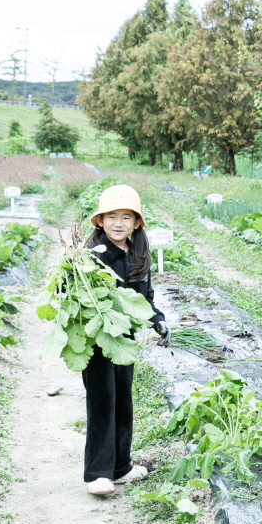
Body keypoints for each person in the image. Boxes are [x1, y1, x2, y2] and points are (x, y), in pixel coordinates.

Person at [81, 184, 171, 496]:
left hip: (124, 341)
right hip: (96, 339)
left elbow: (145, 298)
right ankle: (97, 474)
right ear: (100, 221)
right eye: (112, 216)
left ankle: (121, 468)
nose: (118, 223)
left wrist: (158, 320)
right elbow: (69, 292)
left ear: (136, 223)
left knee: (122, 401)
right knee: (102, 403)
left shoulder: (136, 256)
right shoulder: (90, 257)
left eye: (126, 217)